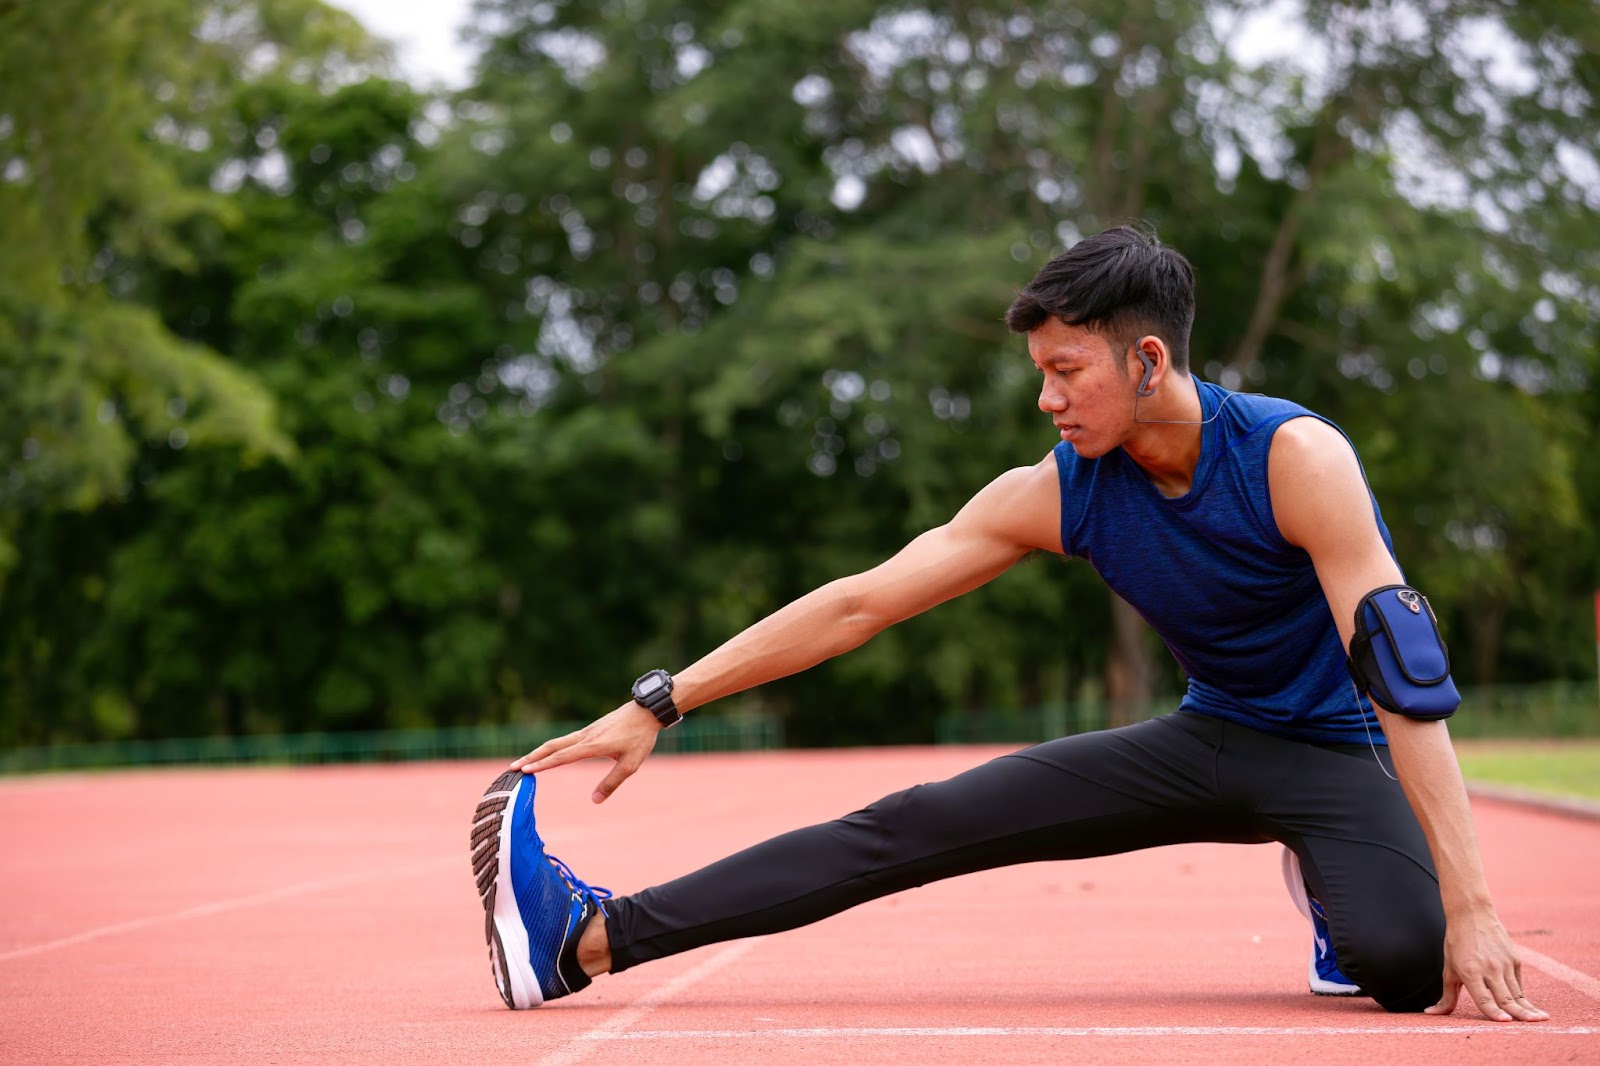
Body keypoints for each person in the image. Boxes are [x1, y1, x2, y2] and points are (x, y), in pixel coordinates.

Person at [468, 223, 1548, 1023]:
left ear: (1148, 361)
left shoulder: (1291, 458)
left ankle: (1332, 887)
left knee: (1409, 964)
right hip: (1211, 736)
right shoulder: (1058, 490)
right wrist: (662, 699)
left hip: (1337, 749)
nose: (1047, 400)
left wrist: (1476, 906)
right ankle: (582, 936)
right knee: (916, 821)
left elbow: (1402, 670)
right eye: (1040, 374)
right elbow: (860, 601)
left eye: (1065, 371)